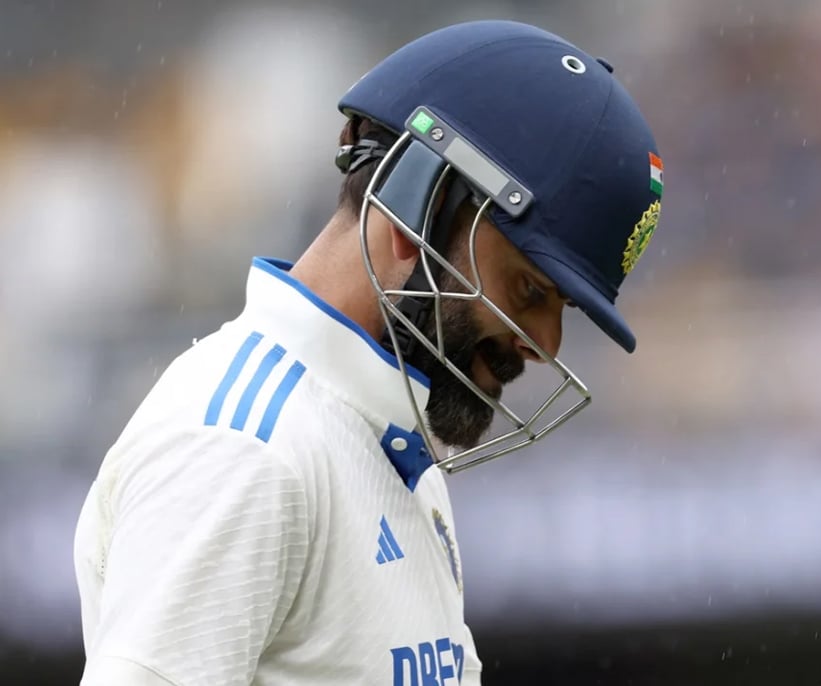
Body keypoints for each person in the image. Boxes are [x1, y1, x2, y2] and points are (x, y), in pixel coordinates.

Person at [72, 19, 664, 686]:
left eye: (564, 310)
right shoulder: (242, 449)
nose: (545, 344)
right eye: (531, 289)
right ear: (414, 217)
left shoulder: (391, 441)